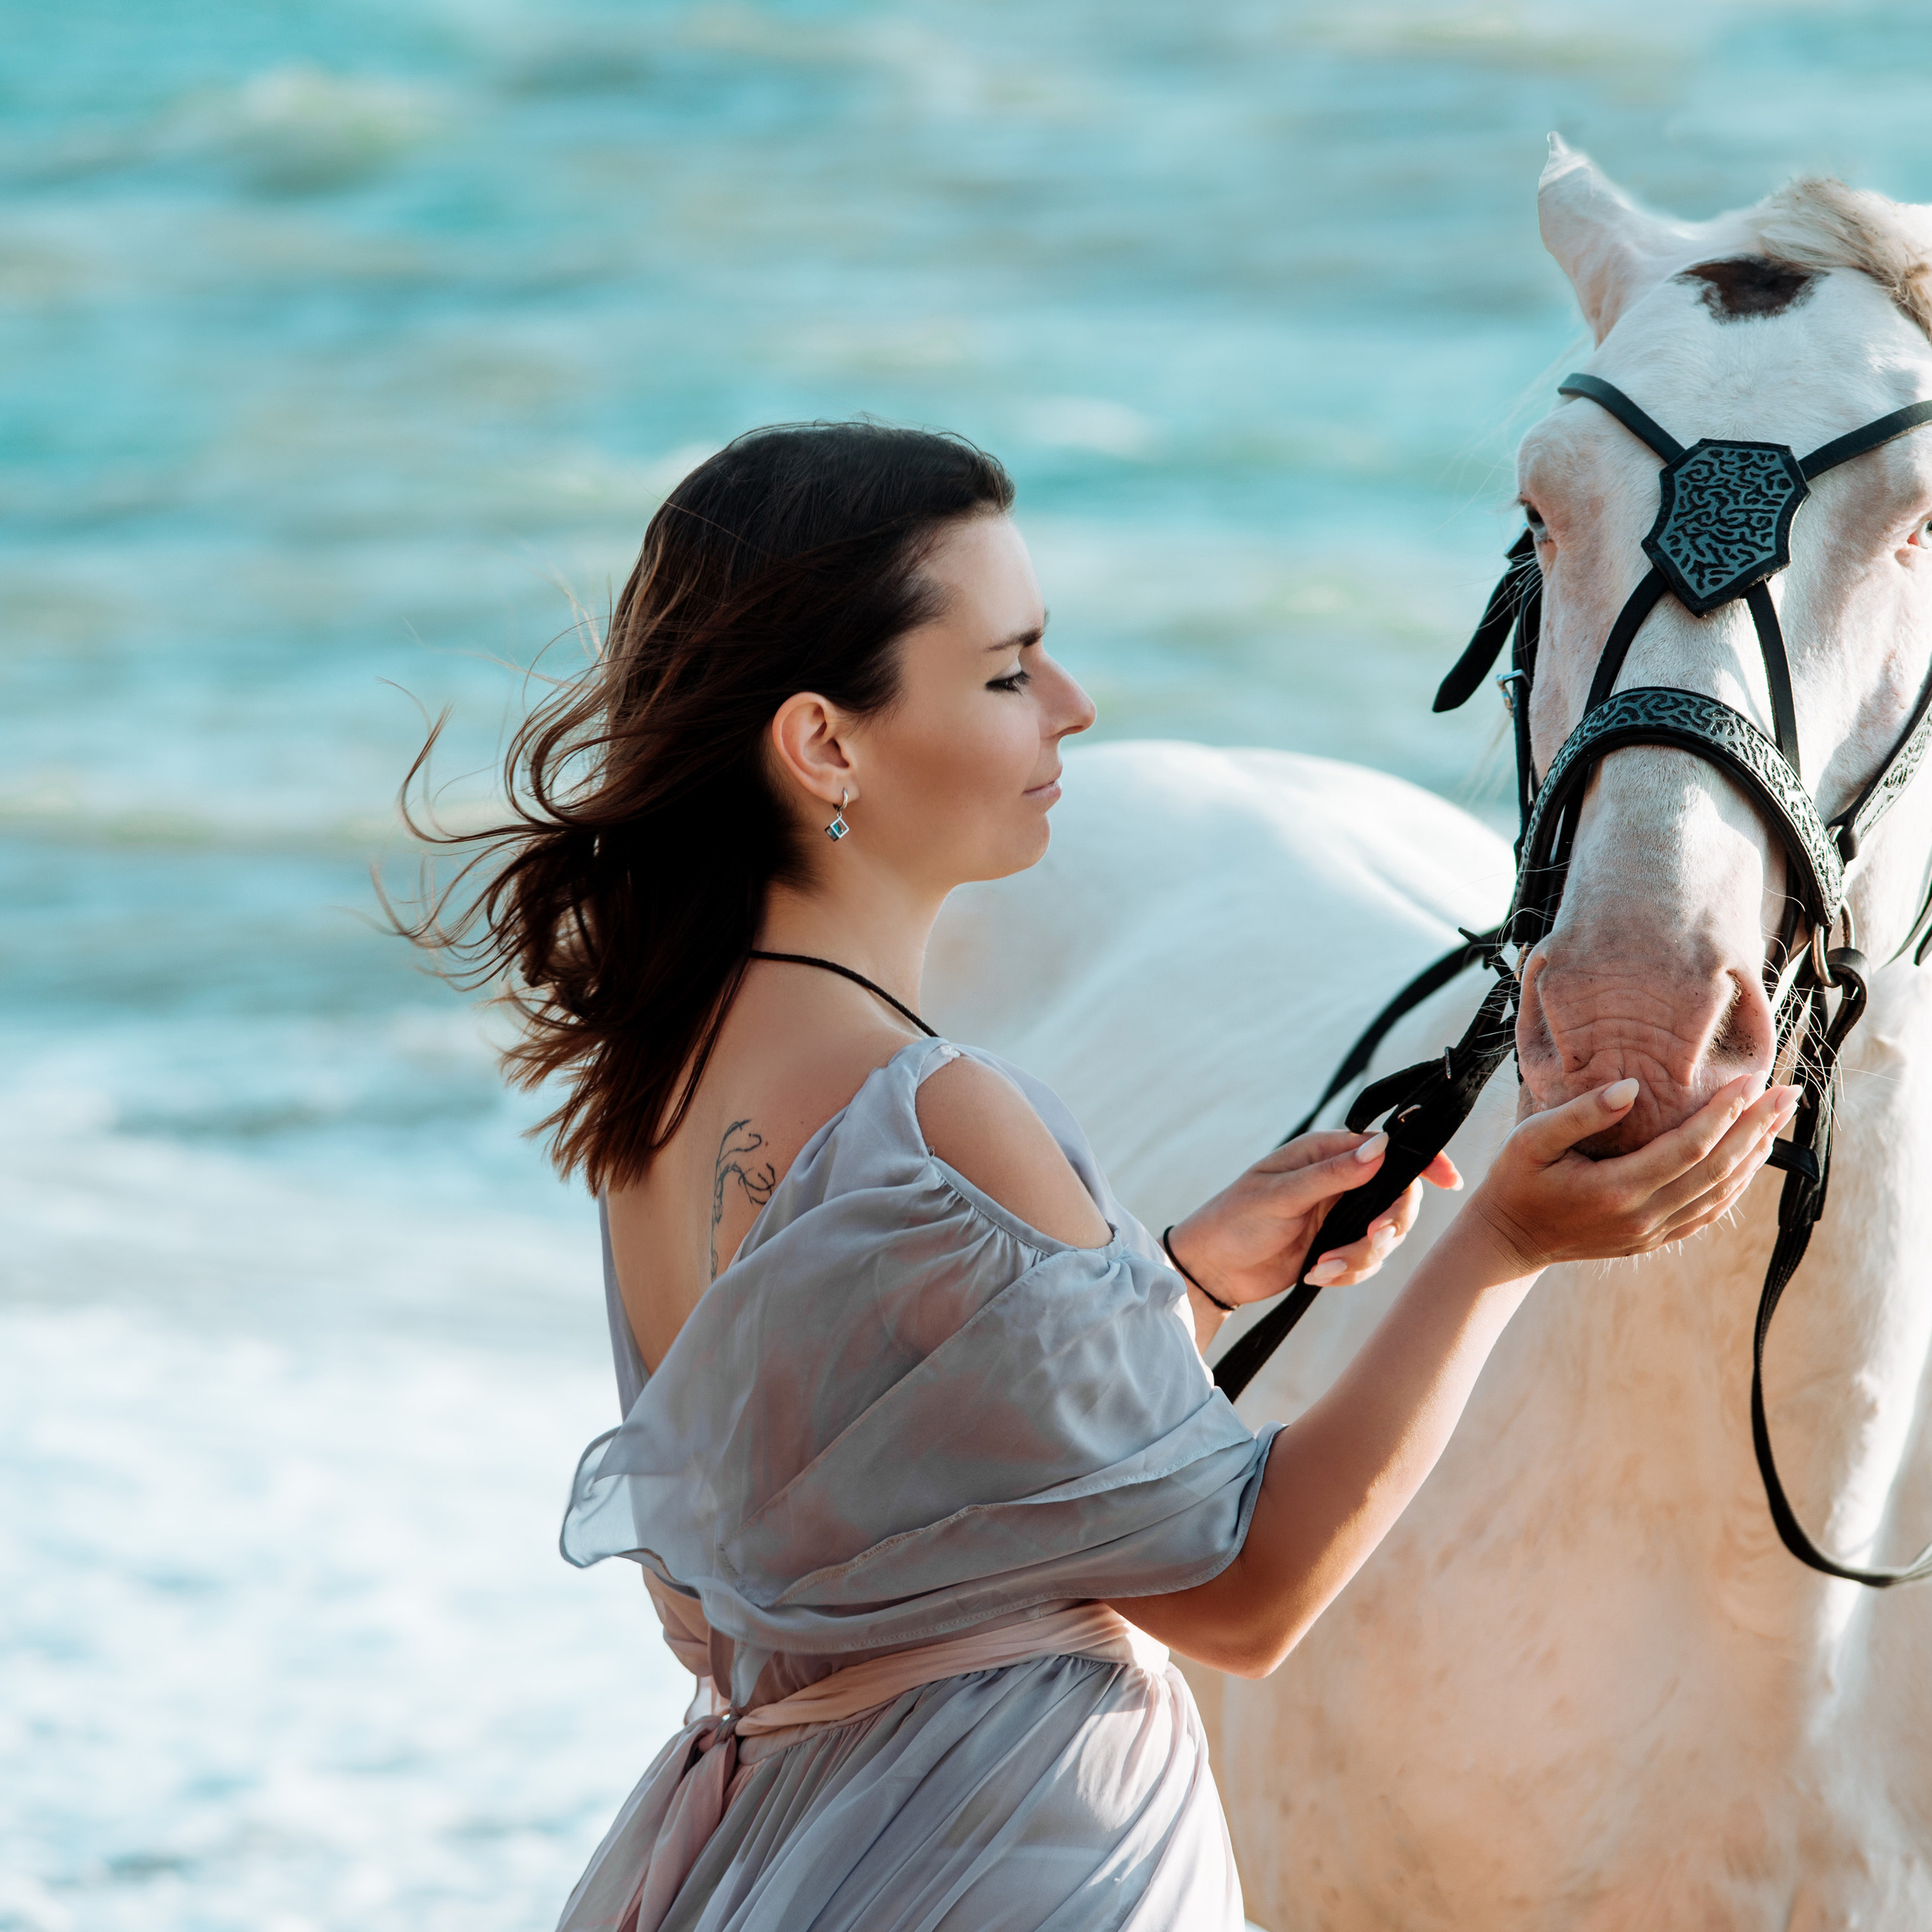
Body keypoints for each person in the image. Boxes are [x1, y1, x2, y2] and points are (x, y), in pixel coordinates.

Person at [402, 423, 1795, 1932]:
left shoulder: (654, 1086)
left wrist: (1174, 1279)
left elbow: (808, 1551)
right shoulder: (945, 1114)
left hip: (798, 1847)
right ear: (825, 744)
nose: (1070, 707)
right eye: (1008, 672)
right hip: (1020, 1855)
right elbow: (1247, 1593)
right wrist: (1495, 1249)